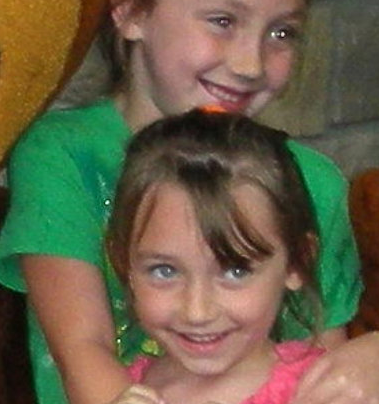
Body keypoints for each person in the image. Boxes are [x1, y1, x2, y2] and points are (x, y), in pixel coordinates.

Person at [0, 0, 379, 404]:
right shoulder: (62, 154)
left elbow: (325, 358)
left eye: (282, 33)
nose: (250, 63)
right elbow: (84, 350)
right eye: (223, 21)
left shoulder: (309, 181)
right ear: (132, 10)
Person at [102, 110, 327, 404]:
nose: (197, 312)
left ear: (298, 261)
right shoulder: (123, 390)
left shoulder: (320, 391)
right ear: (123, 261)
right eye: (164, 271)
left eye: (235, 272)